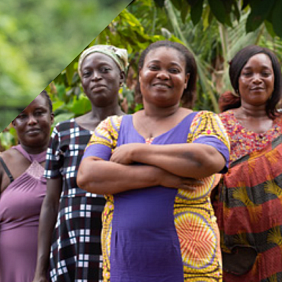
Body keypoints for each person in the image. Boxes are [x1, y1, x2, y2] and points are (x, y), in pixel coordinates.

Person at [77, 40, 230, 282]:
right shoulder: (113, 127)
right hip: (123, 263)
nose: (163, 75)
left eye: (174, 70)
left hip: (190, 266)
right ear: (140, 75)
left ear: (186, 79)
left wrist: (138, 152)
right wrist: (159, 176)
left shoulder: (204, 122)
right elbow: (88, 175)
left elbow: (207, 159)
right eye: (154, 67)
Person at [32, 45, 128, 282]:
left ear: (122, 78)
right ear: (83, 84)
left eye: (105, 70)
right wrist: (39, 271)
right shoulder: (64, 132)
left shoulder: (137, 128)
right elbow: (51, 202)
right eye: (87, 73)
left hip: (121, 243)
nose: (96, 77)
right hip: (72, 244)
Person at [214, 45, 282, 281]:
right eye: (248, 73)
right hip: (235, 250)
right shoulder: (216, 126)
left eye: (265, 73)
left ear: (275, 79)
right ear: (237, 80)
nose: (257, 80)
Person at [0, 91, 54, 282]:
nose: (31, 121)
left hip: (57, 268)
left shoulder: (67, 159)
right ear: (13, 122)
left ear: (51, 117)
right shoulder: (3, 163)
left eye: (39, 113)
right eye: (22, 116)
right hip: (9, 270)